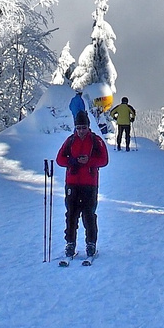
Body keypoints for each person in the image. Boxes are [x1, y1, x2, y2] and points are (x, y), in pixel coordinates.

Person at [55, 109, 109, 258]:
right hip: (72, 183)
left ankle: (91, 243)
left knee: (89, 214)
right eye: (78, 128)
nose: (81, 131)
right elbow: (59, 159)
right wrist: (72, 161)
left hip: (89, 184)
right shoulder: (70, 140)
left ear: (88, 127)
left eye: (83, 127)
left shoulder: (96, 140)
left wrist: (89, 161)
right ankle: (70, 243)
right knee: (71, 214)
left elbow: (104, 160)